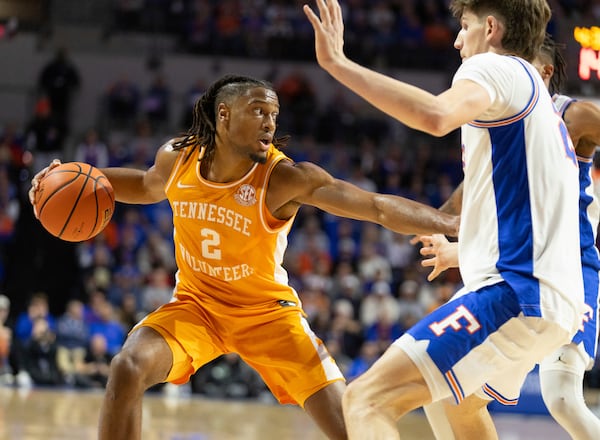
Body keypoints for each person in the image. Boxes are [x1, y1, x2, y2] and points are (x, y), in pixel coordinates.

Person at [28, 74, 459, 440]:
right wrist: (71, 181)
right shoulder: (178, 158)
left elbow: (377, 207)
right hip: (198, 308)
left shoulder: (283, 177)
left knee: (351, 426)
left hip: (268, 316)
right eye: (259, 111)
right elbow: (144, 185)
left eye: (274, 115)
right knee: (127, 366)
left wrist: (448, 224)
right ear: (224, 115)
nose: (270, 123)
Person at [304, 0, 585, 438]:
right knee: (455, 401)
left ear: (490, 28)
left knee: (366, 399)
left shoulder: (497, 67)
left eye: (465, 26)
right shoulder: (542, 109)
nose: (457, 39)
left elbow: (435, 116)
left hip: (516, 292)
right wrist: (464, 251)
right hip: (553, 301)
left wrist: (338, 64)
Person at [417, 34, 600, 440]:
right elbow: (472, 204)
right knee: (437, 388)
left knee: (562, 398)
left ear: (544, 71)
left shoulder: (576, 115)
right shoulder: (500, 124)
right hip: (517, 266)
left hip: (570, 265)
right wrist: (453, 239)